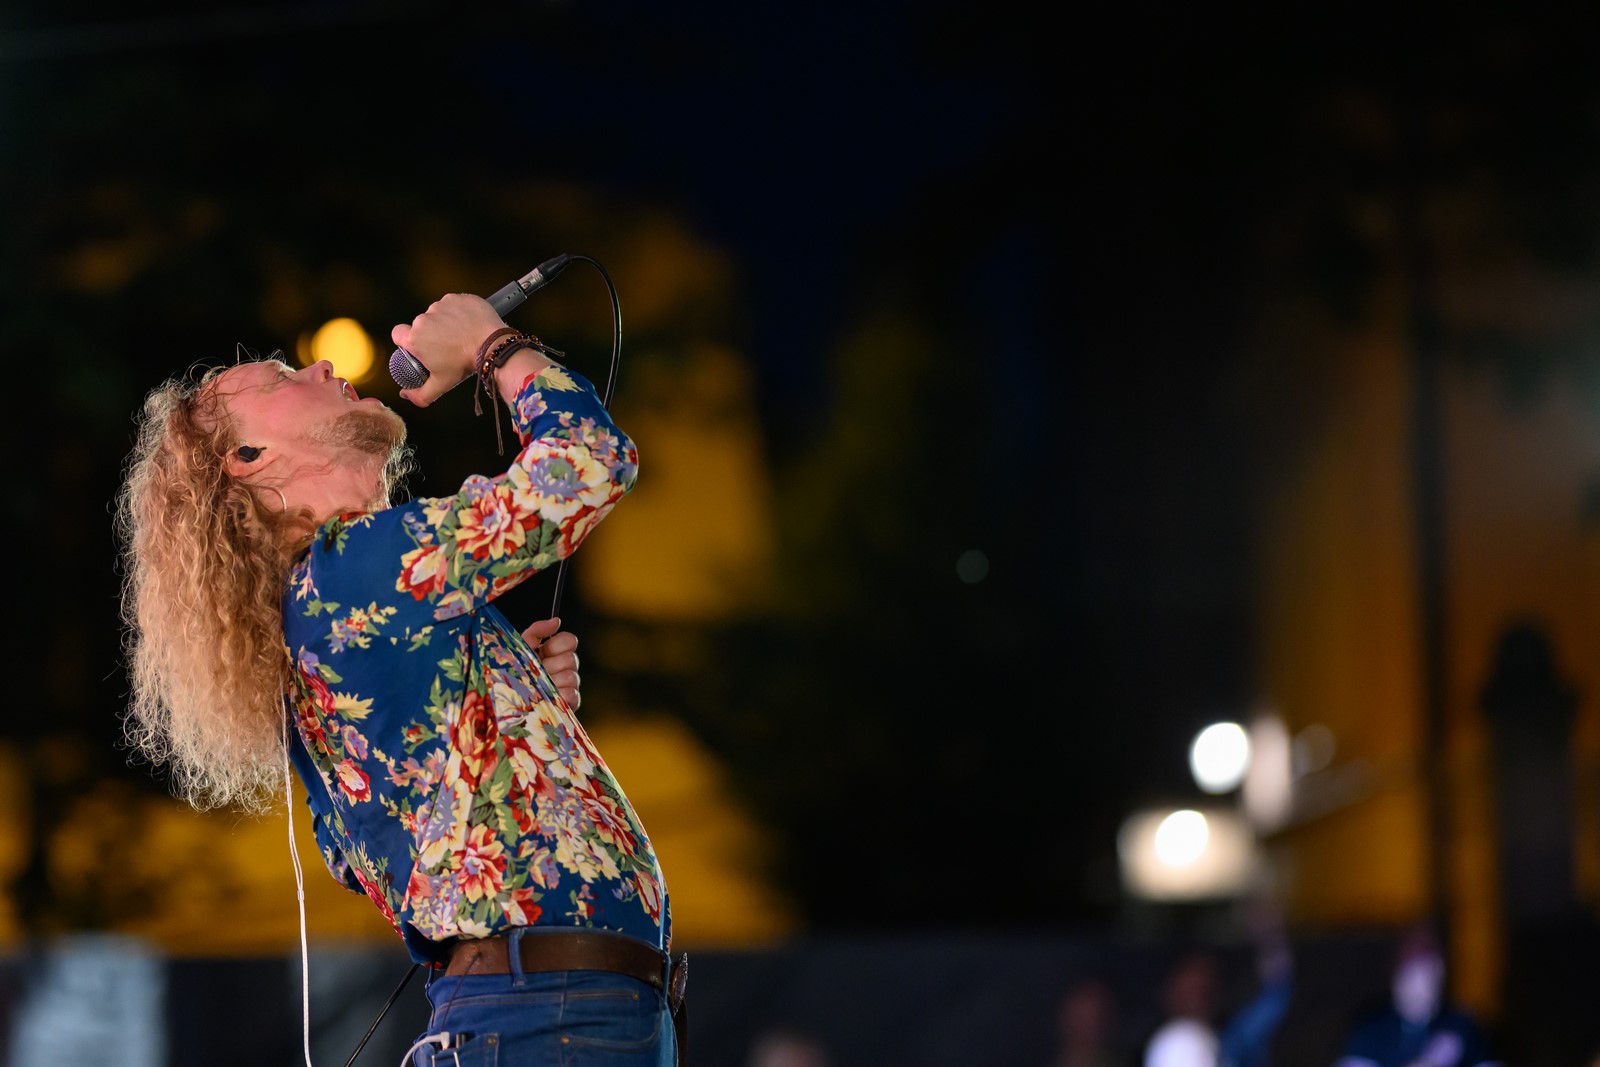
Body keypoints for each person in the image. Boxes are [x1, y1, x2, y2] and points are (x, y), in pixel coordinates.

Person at [113, 292, 680, 1065]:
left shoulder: (329, 603)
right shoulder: (354, 568)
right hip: (547, 1016)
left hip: (544, 1014)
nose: (318, 365)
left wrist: (511, 716)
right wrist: (492, 344)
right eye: (280, 377)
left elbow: (364, 850)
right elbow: (588, 463)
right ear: (247, 459)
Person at [1335, 924, 1498, 1067]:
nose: (1425, 989)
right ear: (1398, 978)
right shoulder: (1371, 1029)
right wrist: (1431, 1061)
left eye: (1433, 977)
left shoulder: (1463, 1027)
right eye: (1416, 977)